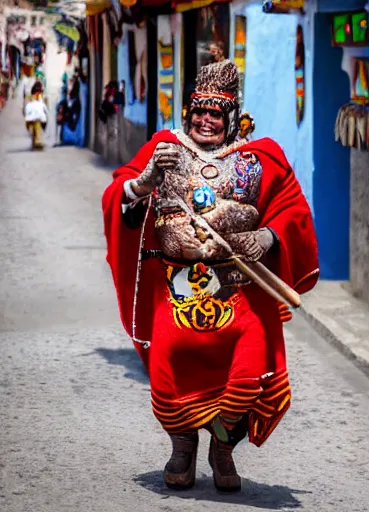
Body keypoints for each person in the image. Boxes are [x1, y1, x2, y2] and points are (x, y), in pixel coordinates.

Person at [102, 60, 319, 493]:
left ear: (232, 117)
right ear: (188, 111)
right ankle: (182, 449)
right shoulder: (164, 146)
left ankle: (222, 446)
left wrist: (268, 235)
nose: (205, 119)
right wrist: (144, 182)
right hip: (175, 291)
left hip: (239, 293)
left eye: (215, 112)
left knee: (247, 375)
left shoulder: (261, 155)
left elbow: (294, 208)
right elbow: (117, 193)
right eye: (198, 110)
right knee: (166, 378)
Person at [24, 81, 48, 149]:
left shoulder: (41, 98)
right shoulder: (29, 98)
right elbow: (26, 110)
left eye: (40, 91)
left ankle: (36, 142)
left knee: (37, 125)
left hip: (38, 119)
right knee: (35, 126)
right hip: (31, 120)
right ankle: (36, 142)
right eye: (38, 91)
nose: (39, 93)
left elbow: (45, 109)